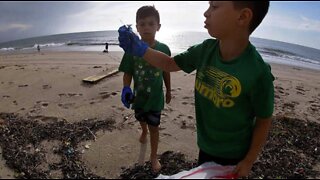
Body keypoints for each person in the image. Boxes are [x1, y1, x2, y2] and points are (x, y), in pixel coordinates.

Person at [118, 1, 274, 178]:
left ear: (243, 16)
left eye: (214, 7)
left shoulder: (258, 73)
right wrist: (139, 49)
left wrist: (248, 161)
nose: (206, 13)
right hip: (205, 145)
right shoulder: (205, 50)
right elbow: (169, 64)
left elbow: (264, 119)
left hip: (234, 154)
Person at [118, 5, 172, 173]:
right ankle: (143, 130)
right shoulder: (131, 50)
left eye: (151, 23)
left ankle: (153, 156)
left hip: (155, 98)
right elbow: (127, 72)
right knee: (140, 117)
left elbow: (167, 70)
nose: (146, 27)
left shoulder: (163, 49)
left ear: (158, 26)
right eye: (142, 24)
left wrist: (169, 90)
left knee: (154, 127)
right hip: (138, 97)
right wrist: (126, 87)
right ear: (136, 27)